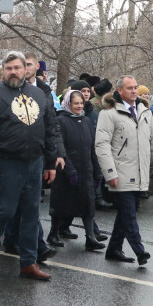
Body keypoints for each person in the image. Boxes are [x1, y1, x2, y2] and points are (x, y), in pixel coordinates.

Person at [0, 51, 63, 280]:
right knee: (3, 210)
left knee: (32, 213)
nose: (13, 72)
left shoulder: (39, 94)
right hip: (5, 162)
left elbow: (51, 128)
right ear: (3, 70)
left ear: (26, 69)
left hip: (34, 162)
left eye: (17, 67)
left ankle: (28, 262)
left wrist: (51, 162)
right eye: (9, 68)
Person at [95, 75, 153, 266]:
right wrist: (110, 173)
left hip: (140, 172)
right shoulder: (109, 113)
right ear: (119, 91)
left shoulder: (145, 112)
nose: (134, 91)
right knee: (129, 213)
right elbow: (102, 146)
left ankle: (113, 249)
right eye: (130, 88)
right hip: (120, 172)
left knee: (127, 212)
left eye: (136, 87)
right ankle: (140, 250)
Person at [48, 90, 105, 251]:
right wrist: (70, 171)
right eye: (76, 103)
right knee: (62, 204)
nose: (79, 106)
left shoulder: (86, 121)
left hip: (86, 169)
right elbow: (61, 148)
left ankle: (90, 238)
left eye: (81, 103)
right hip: (67, 171)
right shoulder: (61, 121)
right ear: (68, 104)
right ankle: (53, 233)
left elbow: (92, 148)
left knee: (88, 203)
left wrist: (97, 172)